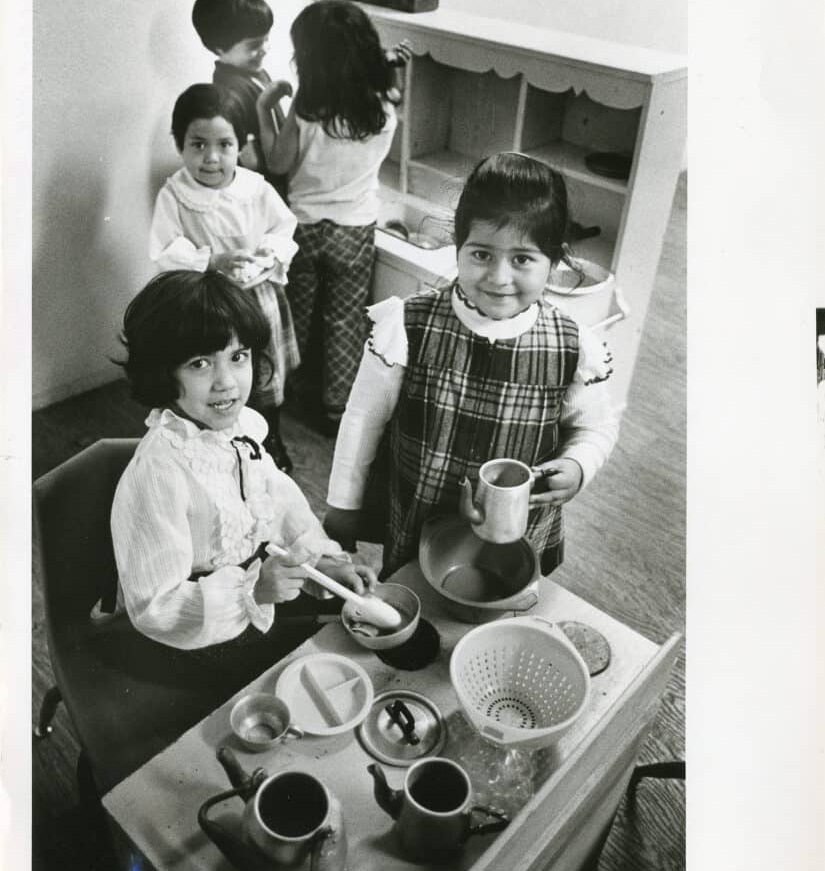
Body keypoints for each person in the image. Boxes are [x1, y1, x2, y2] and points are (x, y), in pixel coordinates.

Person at [324, 152, 621, 578]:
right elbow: (362, 418)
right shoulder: (406, 326)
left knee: (502, 610)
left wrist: (579, 465)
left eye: (522, 259)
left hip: (515, 531)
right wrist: (343, 503)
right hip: (420, 521)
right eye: (481, 254)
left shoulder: (574, 347)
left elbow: (595, 427)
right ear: (458, 247)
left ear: (553, 262)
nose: (499, 278)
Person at [111, 270, 376, 693]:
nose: (227, 382)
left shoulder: (239, 433)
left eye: (238, 356)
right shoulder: (158, 475)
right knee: (298, 688)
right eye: (201, 363)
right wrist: (253, 591)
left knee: (342, 656)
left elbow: (281, 504)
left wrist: (318, 564)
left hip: (256, 591)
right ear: (162, 373)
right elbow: (154, 607)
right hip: (194, 635)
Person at [258, 0, 405, 436]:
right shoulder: (385, 111)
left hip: (303, 227)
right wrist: (392, 68)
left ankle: (278, 396)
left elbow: (278, 162)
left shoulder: (307, 111)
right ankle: (338, 408)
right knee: (345, 321)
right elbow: (389, 88)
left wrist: (264, 107)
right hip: (355, 229)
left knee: (295, 317)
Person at [149, 83, 299, 471]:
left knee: (261, 375)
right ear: (179, 143)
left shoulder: (254, 187)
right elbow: (165, 250)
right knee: (213, 379)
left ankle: (271, 442)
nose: (211, 158)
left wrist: (267, 252)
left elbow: (284, 226)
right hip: (205, 304)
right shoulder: (175, 195)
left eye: (225, 145)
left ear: (241, 144)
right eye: (198, 145)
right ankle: (212, 446)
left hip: (255, 297)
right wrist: (212, 260)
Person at [191, 0, 290, 197]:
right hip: (267, 189)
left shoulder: (252, 70)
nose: (265, 49)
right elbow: (246, 159)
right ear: (219, 47)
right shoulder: (228, 92)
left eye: (266, 39)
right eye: (254, 45)